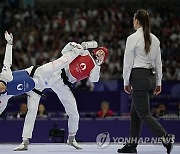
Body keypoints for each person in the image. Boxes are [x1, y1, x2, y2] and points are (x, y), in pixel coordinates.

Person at [0, 33, 108, 150]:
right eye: (100, 51)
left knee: (74, 114)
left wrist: (98, 65)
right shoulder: (83, 52)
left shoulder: (95, 67)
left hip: (59, 83)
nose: (101, 54)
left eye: (103, 54)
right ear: (96, 50)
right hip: (50, 77)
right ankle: (25, 141)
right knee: (33, 106)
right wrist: (72, 45)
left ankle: (71, 138)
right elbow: (64, 51)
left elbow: (94, 79)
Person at [118, 9, 174, 154]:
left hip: (139, 77)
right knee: (135, 113)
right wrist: (159, 82)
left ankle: (165, 137)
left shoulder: (132, 38)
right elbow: (159, 63)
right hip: (150, 78)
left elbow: (128, 62)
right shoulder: (155, 39)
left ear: (136, 21)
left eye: (133, 20)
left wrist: (125, 81)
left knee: (143, 113)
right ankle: (131, 146)